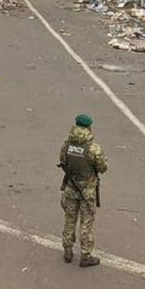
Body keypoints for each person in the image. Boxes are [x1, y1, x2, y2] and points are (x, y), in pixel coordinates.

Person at [60, 113, 108, 267]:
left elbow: (63, 161)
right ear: (88, 127)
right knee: (86, 223)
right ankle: (86, 255)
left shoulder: (67, 145)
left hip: (71, 188)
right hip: (87, 191)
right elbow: (102, 167)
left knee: (69, 220)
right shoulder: (93, 148)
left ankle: (67, 251)